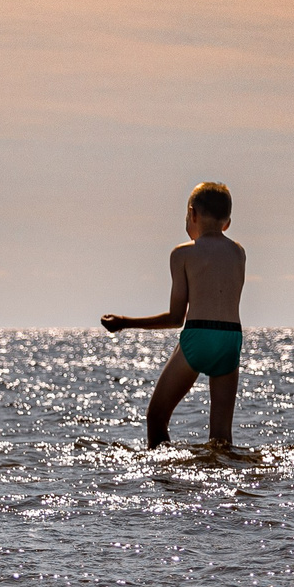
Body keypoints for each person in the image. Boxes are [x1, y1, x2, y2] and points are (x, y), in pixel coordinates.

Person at [100, 181, 247, 447]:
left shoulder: (182, 254)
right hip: (230, 340)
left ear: (193, 214)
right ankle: (224, 481)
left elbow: (176, 318)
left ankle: (164, 475)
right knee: (221, 438)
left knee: (156, 417)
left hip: (199, 335)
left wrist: (124, 323)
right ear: (227, 222)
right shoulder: (239, 253)